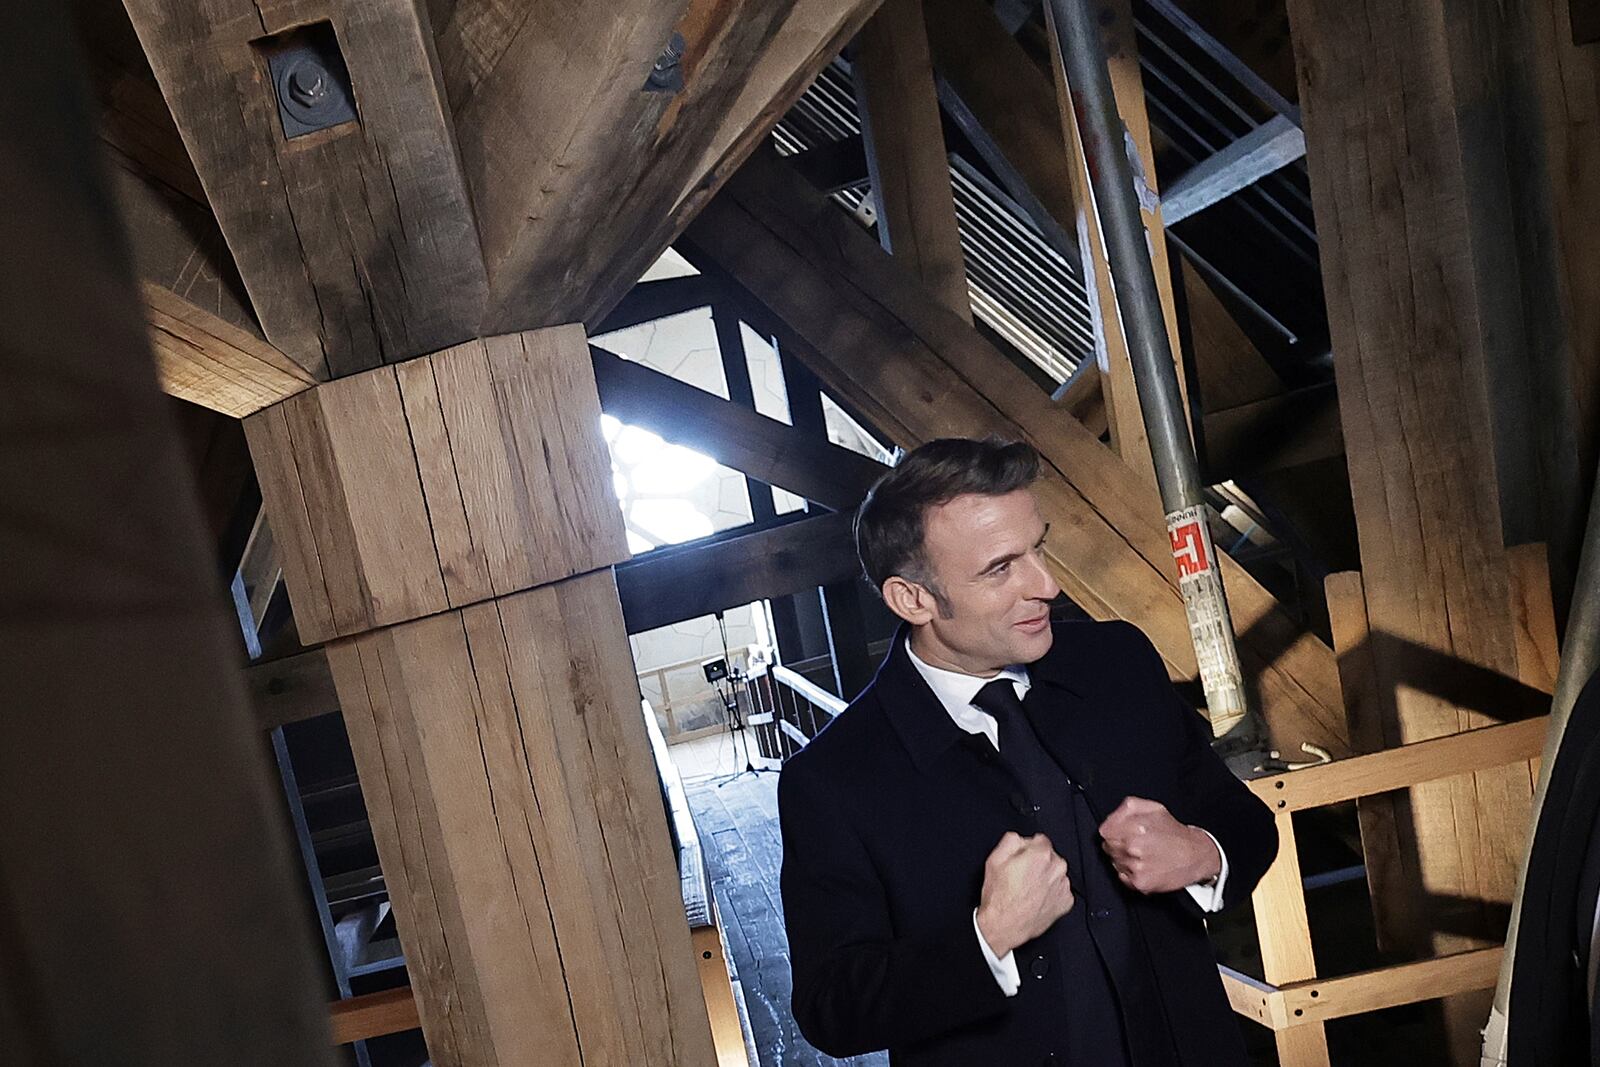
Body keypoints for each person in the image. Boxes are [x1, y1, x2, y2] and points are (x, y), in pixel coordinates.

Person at [777, 437, 1277, 1066]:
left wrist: (1201, 851)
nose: (1046, 584)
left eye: (1038, 548)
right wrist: (986, 940)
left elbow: (1246, 823)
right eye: (1001, 567)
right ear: (913, 599)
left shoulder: (1118, 663)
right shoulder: (832, 780)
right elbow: (831, 1008)